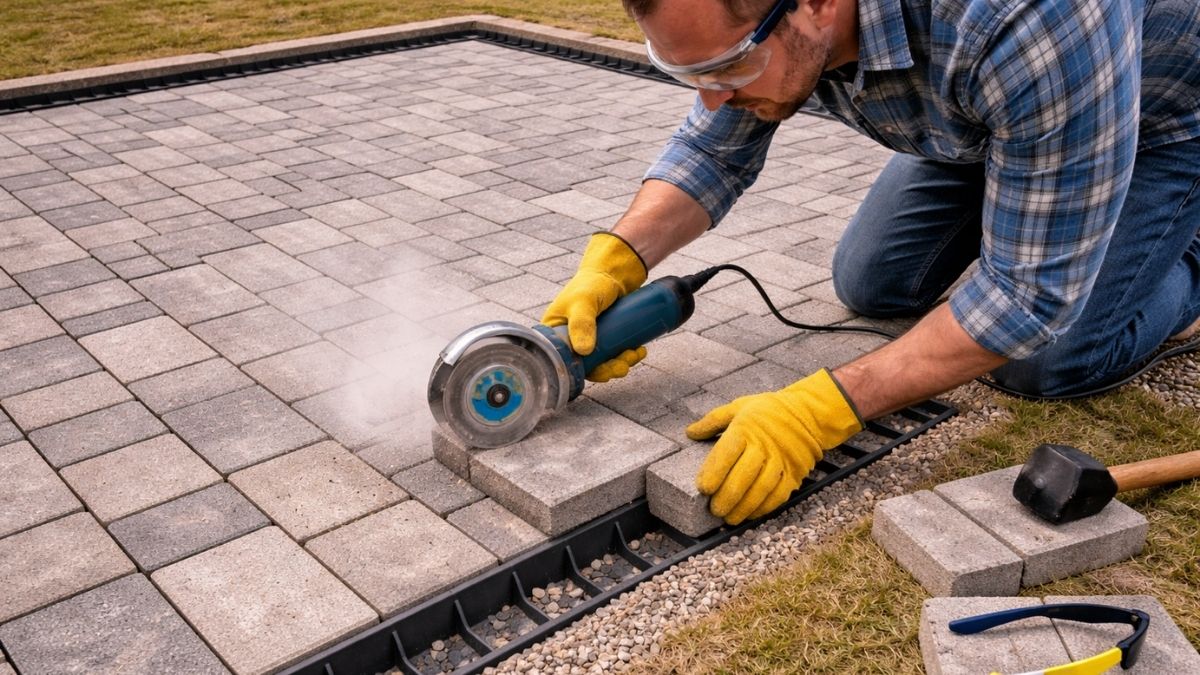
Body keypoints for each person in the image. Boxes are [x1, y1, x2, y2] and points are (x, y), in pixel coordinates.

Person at [542, 0, 1200, 525]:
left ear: (819, 5)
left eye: (727, 69)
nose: (711, 98)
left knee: (1044, 356)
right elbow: (712, 150)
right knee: (872, 279)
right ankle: (1035, 184)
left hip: (1163, 123)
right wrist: (616, 259)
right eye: (691, 75)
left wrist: (824, 406)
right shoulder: (776, 32)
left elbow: (1027, 300)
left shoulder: (1025, 16)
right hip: (1004, 113)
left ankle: (1181, 259)